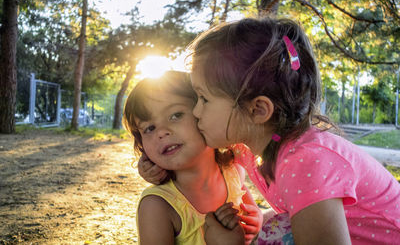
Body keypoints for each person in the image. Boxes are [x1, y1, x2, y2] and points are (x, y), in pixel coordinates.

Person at [138, 17, 400, 245]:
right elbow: (201, 151)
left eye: (204, 99)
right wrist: (151, 163)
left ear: (257, 110)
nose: (196, 112)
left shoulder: (305, 162)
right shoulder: (257, 142)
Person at [123, 71, 262, 245]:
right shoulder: (157, 207)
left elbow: (252, 213)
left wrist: (256, 224)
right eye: (149, 128)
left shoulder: (233, 172)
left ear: (205, 114)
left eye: (176, 115)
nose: (161, 132)